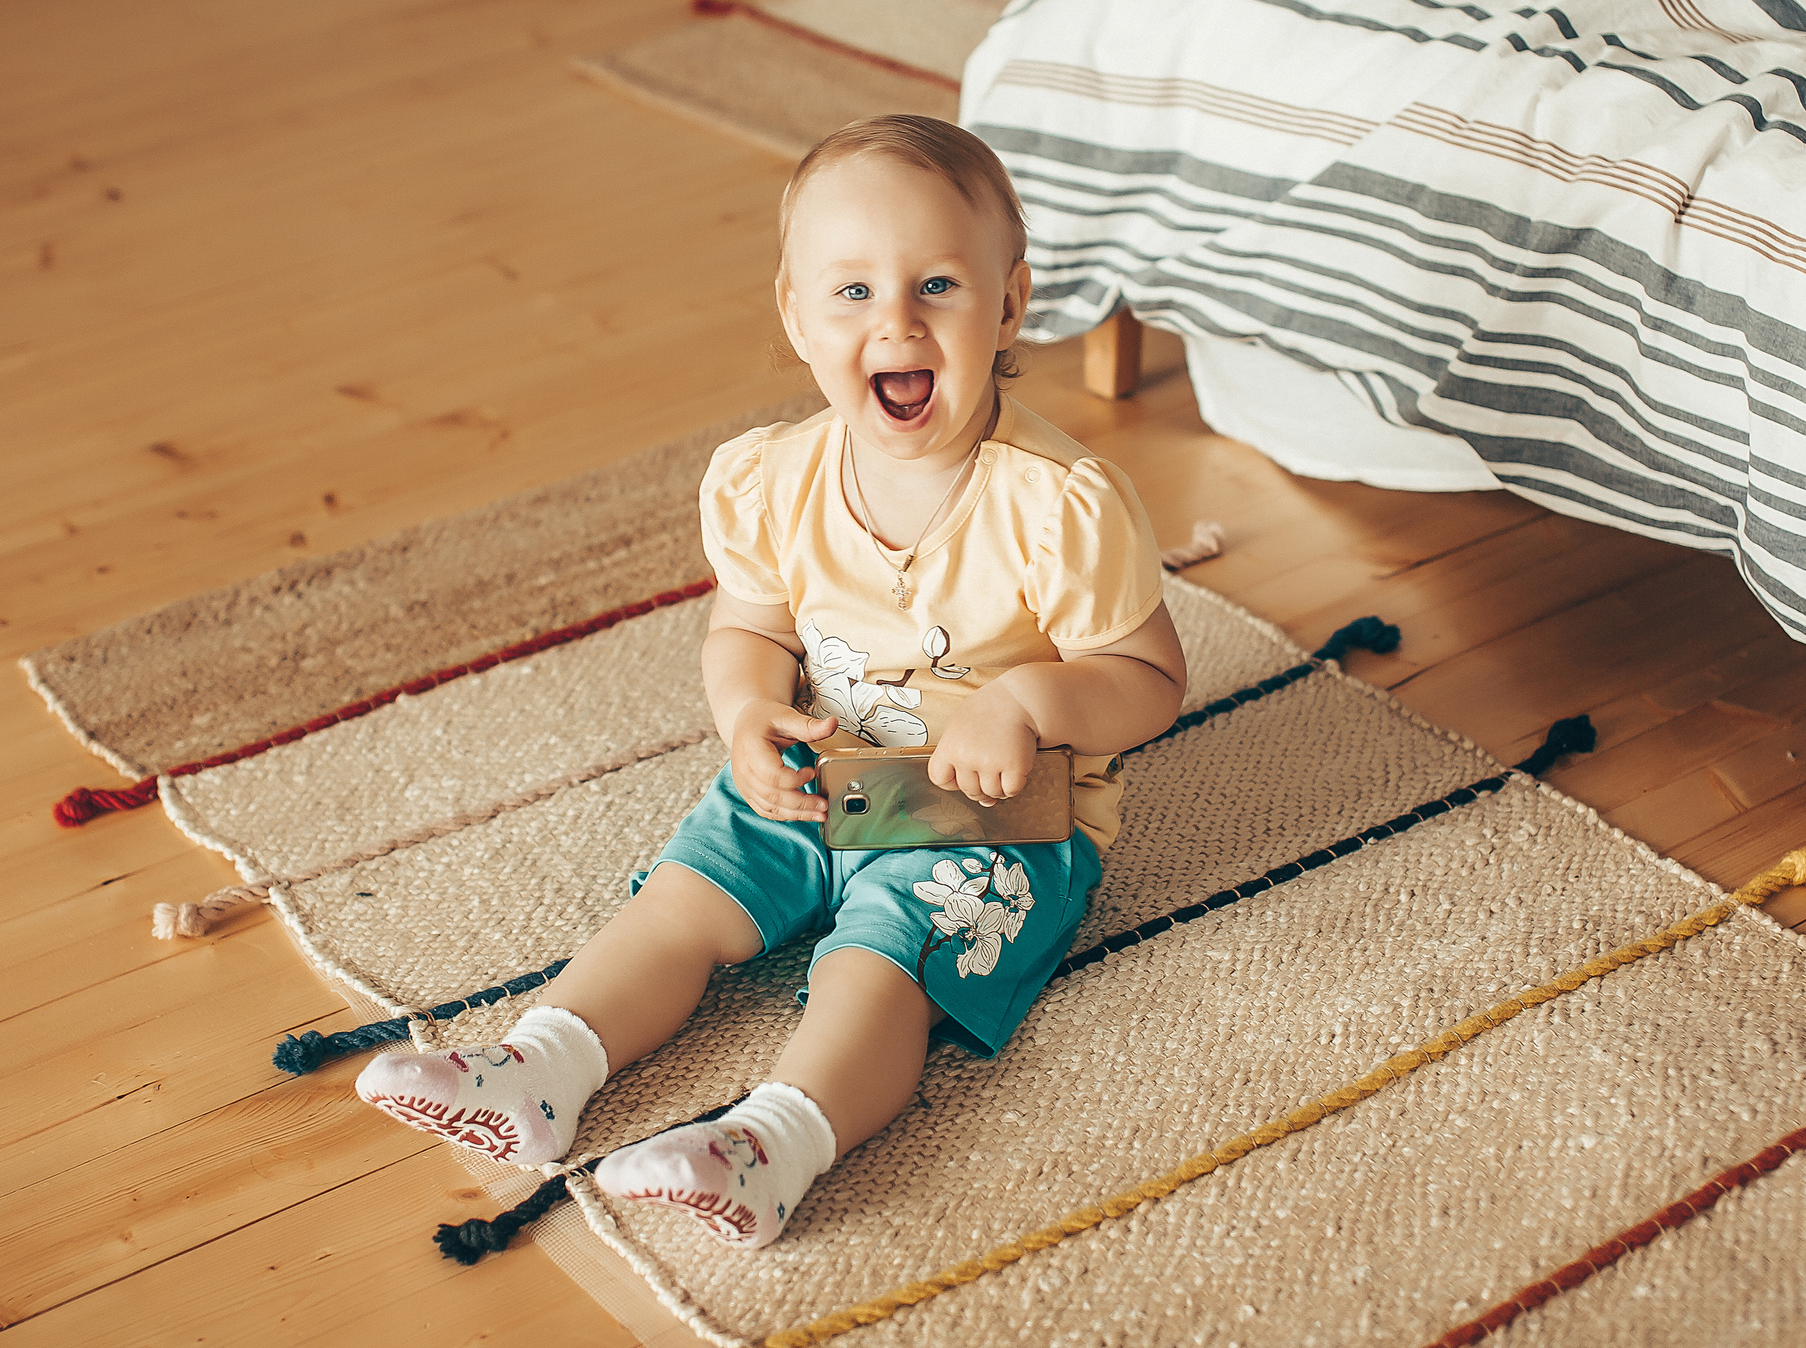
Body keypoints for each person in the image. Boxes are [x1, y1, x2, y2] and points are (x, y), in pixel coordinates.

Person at [356, 113, 1187, 1248]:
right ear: (796, 316)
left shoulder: (1059, 505)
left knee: (877, 962)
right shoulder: (769, 479)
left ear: (1007, 305)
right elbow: (744, 629)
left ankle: (772, 1144)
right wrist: (746, 711)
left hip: (991, 812)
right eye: (851, 292)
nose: (894, 320)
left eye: (937, 284)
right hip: (822, 770)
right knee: (683, 899)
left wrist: (1030, 701)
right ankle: (535, 1069)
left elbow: (1145, 679)